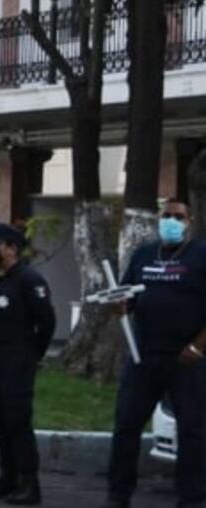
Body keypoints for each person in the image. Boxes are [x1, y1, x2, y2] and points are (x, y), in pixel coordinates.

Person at [103, 199, 206, 508]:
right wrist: (118, 305)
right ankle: (118, 495)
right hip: (143, 355)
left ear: (189, 221)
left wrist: (198, 347)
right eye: (166, 216)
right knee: (126, 425)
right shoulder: (144, 255)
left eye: (178, 217)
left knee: (192, 429)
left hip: (186, 359)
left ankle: (192, 497)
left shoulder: (201, 255)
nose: (171, 221)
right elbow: (126, 297)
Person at [0, 224, 56, 505]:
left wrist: (32, 354)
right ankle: (7, 478)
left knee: (18, 420)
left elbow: (46, 323)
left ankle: (28, 484)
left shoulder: (29, 279)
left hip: (16, 360)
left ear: (11, 248)